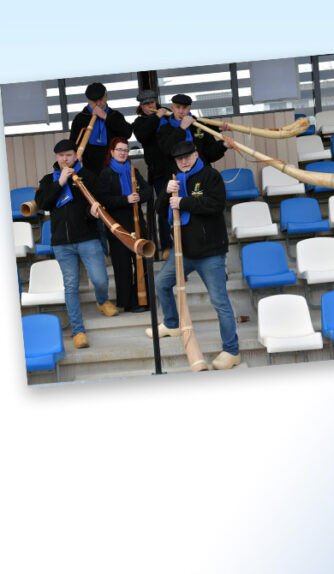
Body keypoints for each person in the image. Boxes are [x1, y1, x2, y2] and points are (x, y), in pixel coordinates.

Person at [149, 141, 240, 370]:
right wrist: (165, 194)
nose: (184, 161)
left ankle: (232, 350)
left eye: (187, 156)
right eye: (179, 158)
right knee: (161, 283)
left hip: (210, 252)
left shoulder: (211, 176)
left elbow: (216, 204)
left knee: (220, 302)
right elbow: (161, 209)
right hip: (183, 252)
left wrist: (183, 202)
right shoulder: (176, 179)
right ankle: (172, 323)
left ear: (196, 154)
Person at [34, 139, 119, 348]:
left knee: (100, 280)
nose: (65, 159)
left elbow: (99, 203)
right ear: (56, 157)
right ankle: (78, 331)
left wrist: (93, 213)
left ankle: (102, 300)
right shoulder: (48, 180)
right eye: (61, 155)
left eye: (69, 155)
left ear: (76, 156)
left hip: (88, 238)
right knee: (71, 286)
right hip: (62, 243)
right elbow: (44, 204)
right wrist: (60, 182)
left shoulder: (88, 176)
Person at [96, 137, 150, 312]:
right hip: (117, 226)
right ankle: (128, 302)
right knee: (123, 265)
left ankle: (143, 298)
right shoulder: (105, 174)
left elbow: (148, 190)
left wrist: (139, 197)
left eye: (125, 150)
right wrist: (125, 199)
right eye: (119, 150)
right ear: (112, 152)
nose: (122, 153)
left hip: (137, 223)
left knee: (142, 260)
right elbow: (104, 200)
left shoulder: (133, 170)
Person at [132, 89, 173, 259]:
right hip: (158, 171)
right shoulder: (139, 122)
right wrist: (156, 117)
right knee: (163, 207)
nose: (150, 106)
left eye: (152, 103)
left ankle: (184, 243)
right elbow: (143, 135)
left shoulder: (168, 116)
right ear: (141, 106)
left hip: (175, 168)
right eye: (146, 104)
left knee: (179, 205)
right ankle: (167, 246)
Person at [70, 82, 133, 176]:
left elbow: (127, 133)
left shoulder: (115, 115)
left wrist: (105, 116)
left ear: (106, 96)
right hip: (90, 168)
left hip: (114, 166)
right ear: (88, 100)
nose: (98, 103)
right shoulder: (80, 118)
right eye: (94, 101)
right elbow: (73, 143)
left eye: (101, 99)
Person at [156, 94, 230, 167]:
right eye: (178, 107)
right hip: (178, 175)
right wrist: (182, 128)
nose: (181, 111)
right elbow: (167, 151)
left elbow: (209, 154)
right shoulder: (164, 129)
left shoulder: (199, 125)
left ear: (189, 109)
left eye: (184, 108)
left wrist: (223, 145)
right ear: (172, 108)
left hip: (202, 172)